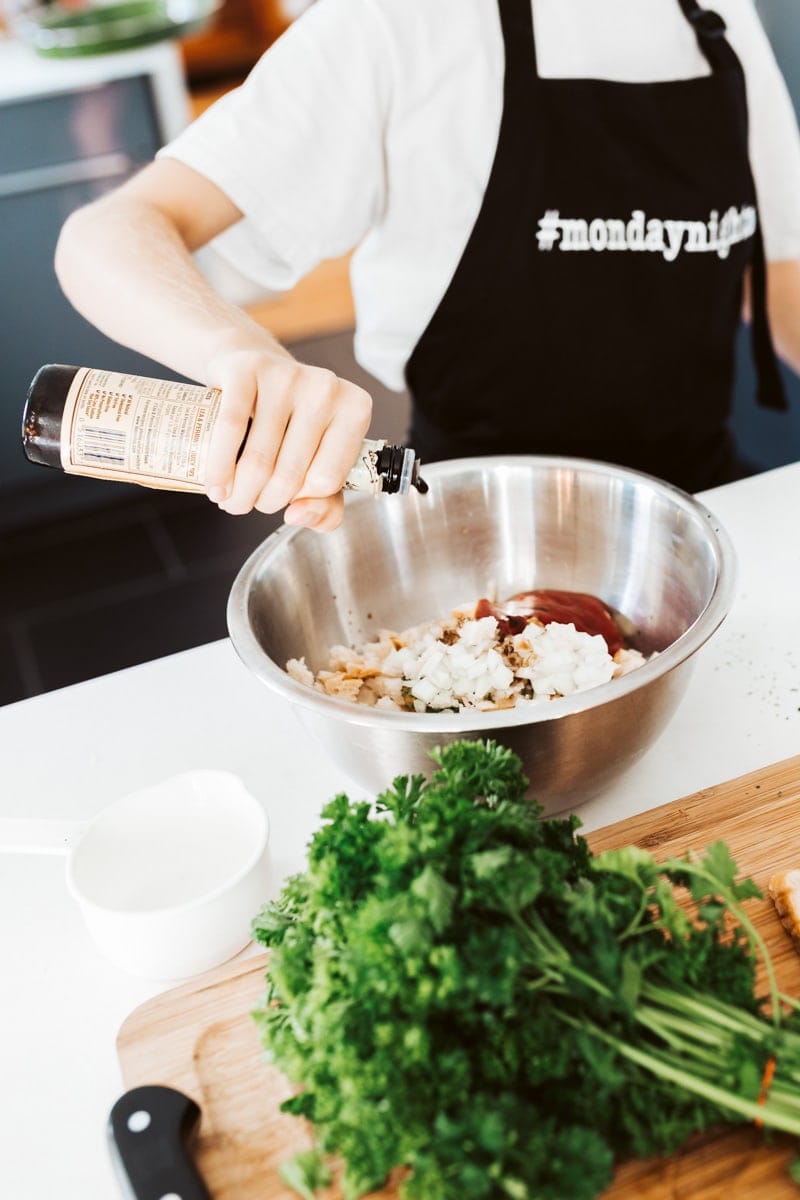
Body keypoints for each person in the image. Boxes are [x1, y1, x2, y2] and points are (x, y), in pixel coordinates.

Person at [54, 0, 800, 531]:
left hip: (702, 512)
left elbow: (782, 277)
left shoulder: (718, 19)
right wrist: (242, 356)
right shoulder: (396, 23)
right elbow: (108, 233)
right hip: (465, 530)